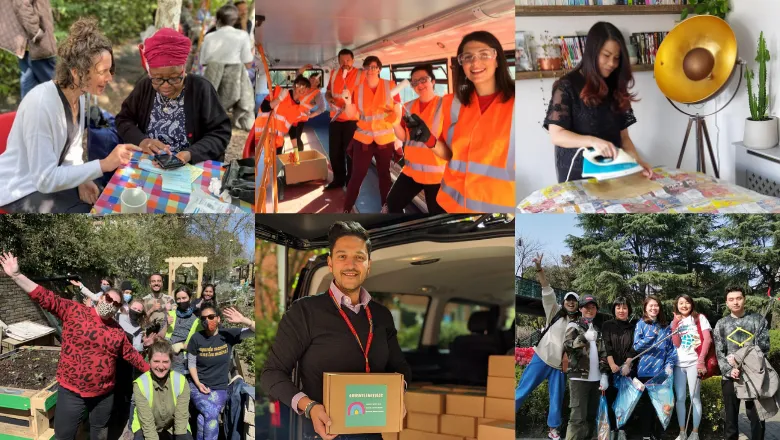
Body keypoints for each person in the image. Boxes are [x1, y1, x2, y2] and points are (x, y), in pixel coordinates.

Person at [261, 221, 411, 440]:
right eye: (342, 256)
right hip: (323, 433)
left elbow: (400, 368)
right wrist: (310, 407)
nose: (351, 265)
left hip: (372, 433)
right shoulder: (304, 311)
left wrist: (398, 393)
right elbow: (271, 374)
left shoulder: (381, 315)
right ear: (330, 263)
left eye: (359, 257)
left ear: (368, 264)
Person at [0, 251, 150, 440]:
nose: (110, 304)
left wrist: (154, 371)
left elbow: (131, 355)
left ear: (118, 309)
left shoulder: (117, 331)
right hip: (72, 393)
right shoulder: (74, 311)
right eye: (109, 299)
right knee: (64, 435)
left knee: (100, 433)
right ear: (102, 297)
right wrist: (16, 275)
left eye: (116, 304)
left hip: (103, 396)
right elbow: (44, 297)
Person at [0, 18, 139, 213]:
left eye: (110, 70)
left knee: (96, 199)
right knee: (85, 212)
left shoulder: (80, 97)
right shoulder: (41, 105)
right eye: (103, 71)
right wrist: (104, 164)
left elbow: (72, 151)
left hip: (46, 179)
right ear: (76, 73)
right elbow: (44, 180)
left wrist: (84, 179)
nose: (109, 78)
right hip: (19, 188)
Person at [405, 31, 515, 213]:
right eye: (467, 57)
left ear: (497, 60)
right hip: (452, 205)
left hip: (498, 213)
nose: (475, 62)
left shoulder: (518, 104)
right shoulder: (453, 104)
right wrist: (429, 140)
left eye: (484, 55)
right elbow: (451, 155)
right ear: (461, 64)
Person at [543, 22, 653, 183]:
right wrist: (593, 142)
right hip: (577, 174)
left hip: (613, 172)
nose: (612, 64)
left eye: (616, 58)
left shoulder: (615, 85)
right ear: (592, 53)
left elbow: (624, 137)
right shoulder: (567, 86)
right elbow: (557, 135)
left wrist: (636, 162)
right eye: (606, 55)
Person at [117, 27, 231, 165]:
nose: (165, 85)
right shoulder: (145, 86)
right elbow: (123, 119)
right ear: (150, 74)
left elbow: (220, 133)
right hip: (149, 163)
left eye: (174, 78)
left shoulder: (201, 88)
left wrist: (190, 154)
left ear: (183, 70)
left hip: (191, 166)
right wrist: (143, 141)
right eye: (157, 79)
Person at [515, 254, 580, 440]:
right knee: (522, 389)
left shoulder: (579, 324)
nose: (570, 302)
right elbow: (546, 287)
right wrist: (538, 268)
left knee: (556, 401)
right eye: (568, 299)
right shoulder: (555, 312)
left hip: (559, 368)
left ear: (577, 305)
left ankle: (553, 430)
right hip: (541, 358)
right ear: (564, 301)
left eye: (574, 301)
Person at [342, 56, 402, 213]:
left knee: (384, 175)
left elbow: (398, 111)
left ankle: (387, 208)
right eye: (367, 67)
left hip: (385, 139)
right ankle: (347, 209)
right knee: (357, 175)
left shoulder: (391, 86)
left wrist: (399, 137)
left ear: (379, 69)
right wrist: (348, 103)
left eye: (374, 67)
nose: (370, 70)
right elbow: (351, 115)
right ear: (364, 70)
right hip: (363, 140)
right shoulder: (357, 89)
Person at [385, 64, 447, 214]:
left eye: (423, 79)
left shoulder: (446, 105)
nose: (419, 85)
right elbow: (405, 137)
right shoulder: (408, 106)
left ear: (432, 81)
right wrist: (394, 123)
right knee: (392, 204)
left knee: (437, 215)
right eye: (414, 82)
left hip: (437, 175)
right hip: (411, 170)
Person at [188, 304, 255, 440]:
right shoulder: (196, 338)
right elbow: (191, 364)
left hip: (219, 388)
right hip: (197, 387)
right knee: (211, 413)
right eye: (204, 318)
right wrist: (198, 383)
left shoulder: (228, 335)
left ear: (218, 319)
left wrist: (244, 320)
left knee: (203, 420)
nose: (207, 320)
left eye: (211, 317)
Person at [713, 286, 770, 440]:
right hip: (731, 376)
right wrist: (728, 370)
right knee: (730, 418)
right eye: (731, 299)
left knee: (756, 415)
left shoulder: (758, 320)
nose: (735, 302)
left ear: (744, 299)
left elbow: (764, 348)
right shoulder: (721, 324)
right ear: (726, 302)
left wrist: (742, 361)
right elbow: (719, 352)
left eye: (738, 298)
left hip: (753, 376)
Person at [200, 4, 255, 131]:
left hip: (212, 83)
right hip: (234, 84)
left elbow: (203, 61)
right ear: (235, 20)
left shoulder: (209, 37)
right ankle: (243, 119)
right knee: (243, 72)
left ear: (218, 20)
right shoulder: (242, 35)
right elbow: (247, 61)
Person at [562, 294, 609, 440]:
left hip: (595, 380)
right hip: (578, 378)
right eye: (587, 307)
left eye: (593, 307)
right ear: (581, 308)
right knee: (577, 418)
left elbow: (603, 354)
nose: (590, 310)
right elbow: (567, 346)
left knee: (591, 417)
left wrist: (604, 375)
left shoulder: (597, 329)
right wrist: (583, 338)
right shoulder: (573, 326)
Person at [633, 295, 678, 440]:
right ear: (645, 308)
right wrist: (652, 335)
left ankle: (658, 434)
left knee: (661, 405)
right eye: (650, 305)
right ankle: (646, 434)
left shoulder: (666, 327)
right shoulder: (640, 324)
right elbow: (637, 347)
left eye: (656, 305)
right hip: (645, 371)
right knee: (647, 405)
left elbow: (671, 350)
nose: (654, 308)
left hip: (661, 372)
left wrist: (669, 366)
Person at [668, 294, 711, 440]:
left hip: (694, 363)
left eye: (687, 302)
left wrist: (701, 361)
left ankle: (695, 433)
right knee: (680, 398)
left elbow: (707, 340)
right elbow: (677, 344)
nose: (684, 305)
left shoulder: (699, 318)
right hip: (679, 364)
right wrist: (674, 324)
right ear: (677, 305)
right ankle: (682, 432)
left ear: (691, 304)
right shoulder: (676, 321)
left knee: (695, 398)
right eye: (681, 303)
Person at [131, 339, 193, 440]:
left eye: (165, 362)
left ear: (171, 362)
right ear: (149, 361)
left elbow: (181, 419)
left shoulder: (181, 381)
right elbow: (148, 425)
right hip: (146, 426)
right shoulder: (140, 384)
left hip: (172, 425)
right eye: (156, 361)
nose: (160, 367)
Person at [325, 49, 363, 190]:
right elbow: (328, 91)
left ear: (353, 61)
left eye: (347, 60)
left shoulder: (361, 74)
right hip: (335, 119)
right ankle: (338, 179)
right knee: (334, 152)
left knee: (351, 153)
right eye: (342, 61)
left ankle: (351, 182)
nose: (344, 63)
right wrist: (329, 98)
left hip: (352, 120)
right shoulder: (334, 73)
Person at [601, 297, 637, 440]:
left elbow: (634, 348)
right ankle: (611, 428)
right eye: (618, 308)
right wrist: (611, 365)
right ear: (614, 309)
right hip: (611, 369)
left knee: (625, 401)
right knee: (610, 399)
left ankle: (622, 429)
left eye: (624, 308)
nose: (621, 311)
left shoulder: (633, 327)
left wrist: (627, 364)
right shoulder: (607, 325)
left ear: (629, 310)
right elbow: (606, 345)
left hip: (627, 370)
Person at [256, 75, 318, 155]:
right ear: (294, 86)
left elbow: (293, 130)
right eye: (300, 85)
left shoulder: (297, 109)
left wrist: (296, 150)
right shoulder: (279, 93)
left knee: (276, 165)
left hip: (277, 142)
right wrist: (279, 99)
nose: (303, 90)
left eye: (306, 88)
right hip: (262, 137)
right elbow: (264, 108)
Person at [9, 0, 57, 98]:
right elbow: (22, 5)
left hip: (33, 47)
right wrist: (36, 33)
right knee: (56, 90)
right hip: (38, 47)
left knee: (30, 91)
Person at [165, 286, 202, 375]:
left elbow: (199, 344)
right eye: (178, 299)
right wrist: (165, 324)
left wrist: (182, 346)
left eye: (184, 298)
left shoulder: (196, 321)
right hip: (164, 354)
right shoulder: (170, 314)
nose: (181, 301)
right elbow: (159, 335)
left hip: (180, 359)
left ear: (190, 298)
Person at [288, 68, 327, 153]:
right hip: (291, 115)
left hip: (300, 118)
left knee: (296, 137)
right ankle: (297, 155)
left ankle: (299, 155)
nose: (313, 82)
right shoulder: (303, 85)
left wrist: (310, 115)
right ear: (309, 78)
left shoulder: (317, 94)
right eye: (312, 79)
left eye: (316, 81)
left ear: (319, 83)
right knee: (292, 136)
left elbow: (323, 107)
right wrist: (305, 67)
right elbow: (298, 74)